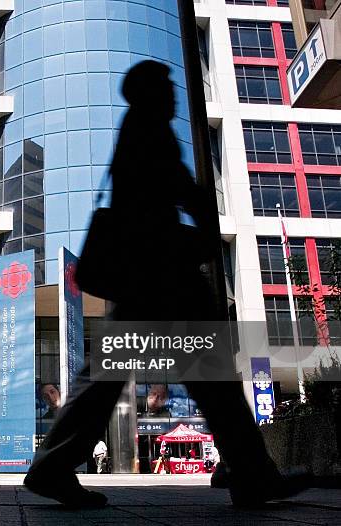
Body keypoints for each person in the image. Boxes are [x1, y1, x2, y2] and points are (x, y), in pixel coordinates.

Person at [23, 60, 309, 508]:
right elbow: (182, 192)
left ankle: (52, 467)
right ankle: (252, 474)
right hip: (162, 275)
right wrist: (207, 233)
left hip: (145, 274)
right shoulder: (150, 130)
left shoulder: (136, 129)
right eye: (167, 85)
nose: (175, 92)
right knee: (206, 376)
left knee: (108, 375)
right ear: (152, 92)